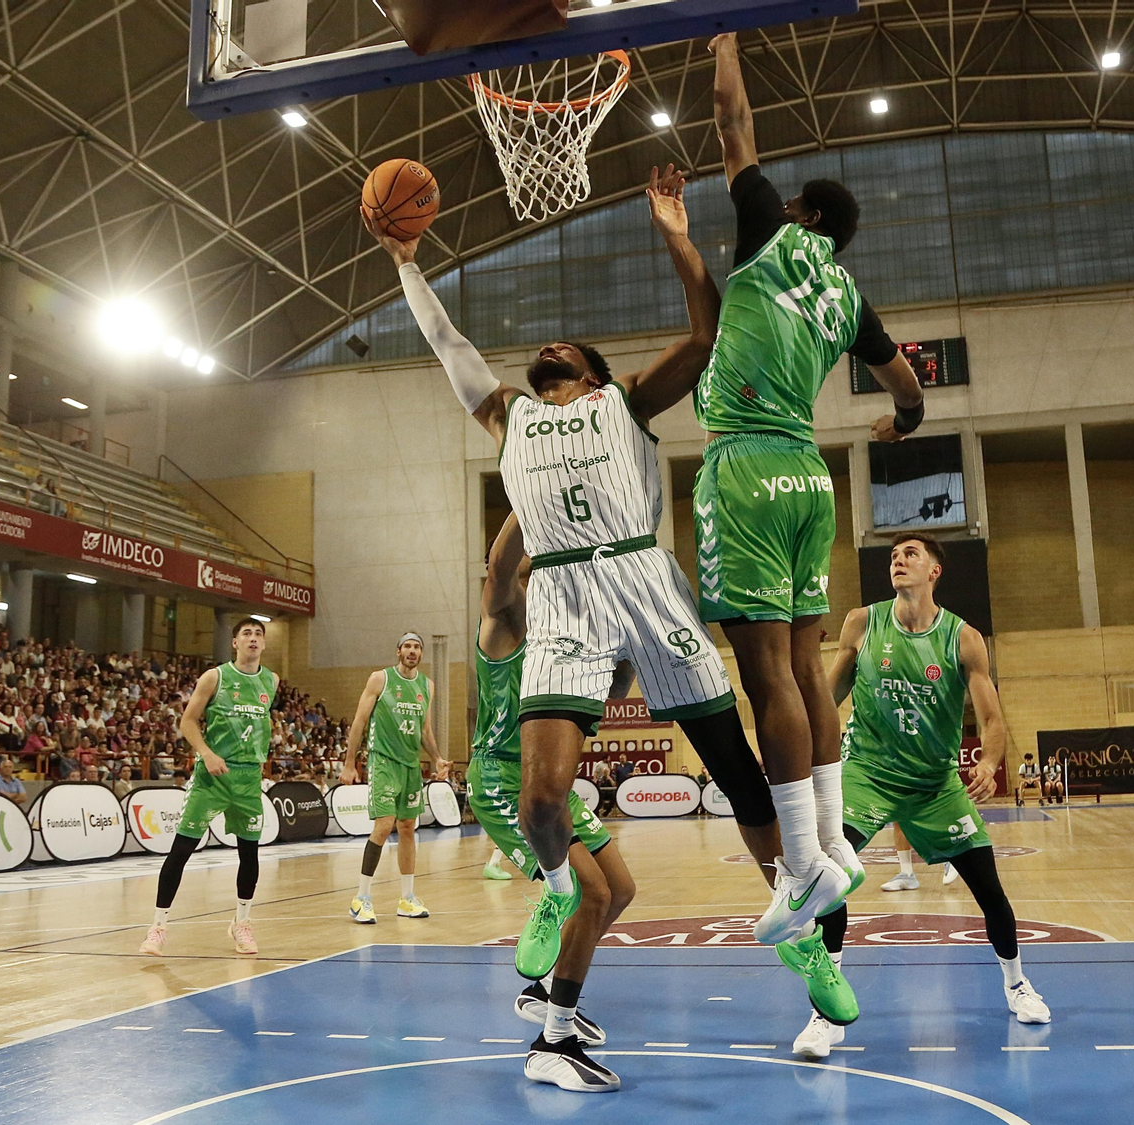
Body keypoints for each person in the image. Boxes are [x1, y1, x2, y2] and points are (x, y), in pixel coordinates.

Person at [365, 162, 782, 1002]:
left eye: (567, 349)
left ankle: (795, 911)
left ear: (591, 374)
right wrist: (406, 262)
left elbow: (703, 340)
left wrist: (680, 242)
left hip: (643, 577)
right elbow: (448, 344)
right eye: (545, 348)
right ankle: (558, 893)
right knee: (540, 803)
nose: (551, 344)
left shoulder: (625, 401)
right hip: (561, 596)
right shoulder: (507, 416)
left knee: (735, 765)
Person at [702, 31, 929, 945]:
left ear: (800, 212)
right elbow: (909, 387)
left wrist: (724, 44)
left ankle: (801, 868)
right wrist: (898, 427)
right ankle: (832, 842)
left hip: (749, 467)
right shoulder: (848, 295)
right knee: (804, 670)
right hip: (810, 477)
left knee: (767, 678)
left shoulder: (770, 231)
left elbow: (732, 123)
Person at [800, 532, 1051, 1058]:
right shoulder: (862, 623)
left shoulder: (963, 638)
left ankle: (1017, 983)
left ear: (934, 570)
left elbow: (991, 719)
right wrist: (794, 736)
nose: (899, 561)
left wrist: (988, 759)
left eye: (911, 554)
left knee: (988, 888)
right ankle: (827, 1012)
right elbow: (827, 697)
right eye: (894, 556)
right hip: (867, 770)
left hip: (936, 782)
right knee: (831, 875)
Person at [467, 515, 633, 1090]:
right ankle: (553, 1043)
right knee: (593, 893)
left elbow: (617, 692)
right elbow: (499, 571)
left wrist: (629, 639)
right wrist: (527, 484)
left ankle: (541, 991)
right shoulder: (506, 626)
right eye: (544, 574)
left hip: (551, 783)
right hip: (502, 779)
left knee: (621, 891)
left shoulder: (571, 644)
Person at [138, 618, 278, 957]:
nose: (254, 639)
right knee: (182, 849)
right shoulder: (215, 677)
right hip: (211, 777)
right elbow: (187, 720)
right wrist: (207, 753)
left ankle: (241, 923)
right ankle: (157, 927)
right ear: (235, 642)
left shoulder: (271, 681)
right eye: (247, 633)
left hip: (247, 779)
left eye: (259, 634)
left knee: (250, 854)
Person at [340, 632, 441, 924]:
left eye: (417, 647)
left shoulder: (427, 686)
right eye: (407, 646)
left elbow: (425, 731)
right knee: (384, 825)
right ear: (398, 651)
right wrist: (349, 763)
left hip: (411, 766)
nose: (412, 651)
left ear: (421, 654)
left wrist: (437, 758)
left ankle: (407, 898)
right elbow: (359, 721)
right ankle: (361, 898)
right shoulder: (379, 679)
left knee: (408, 827)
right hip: (383, 761)